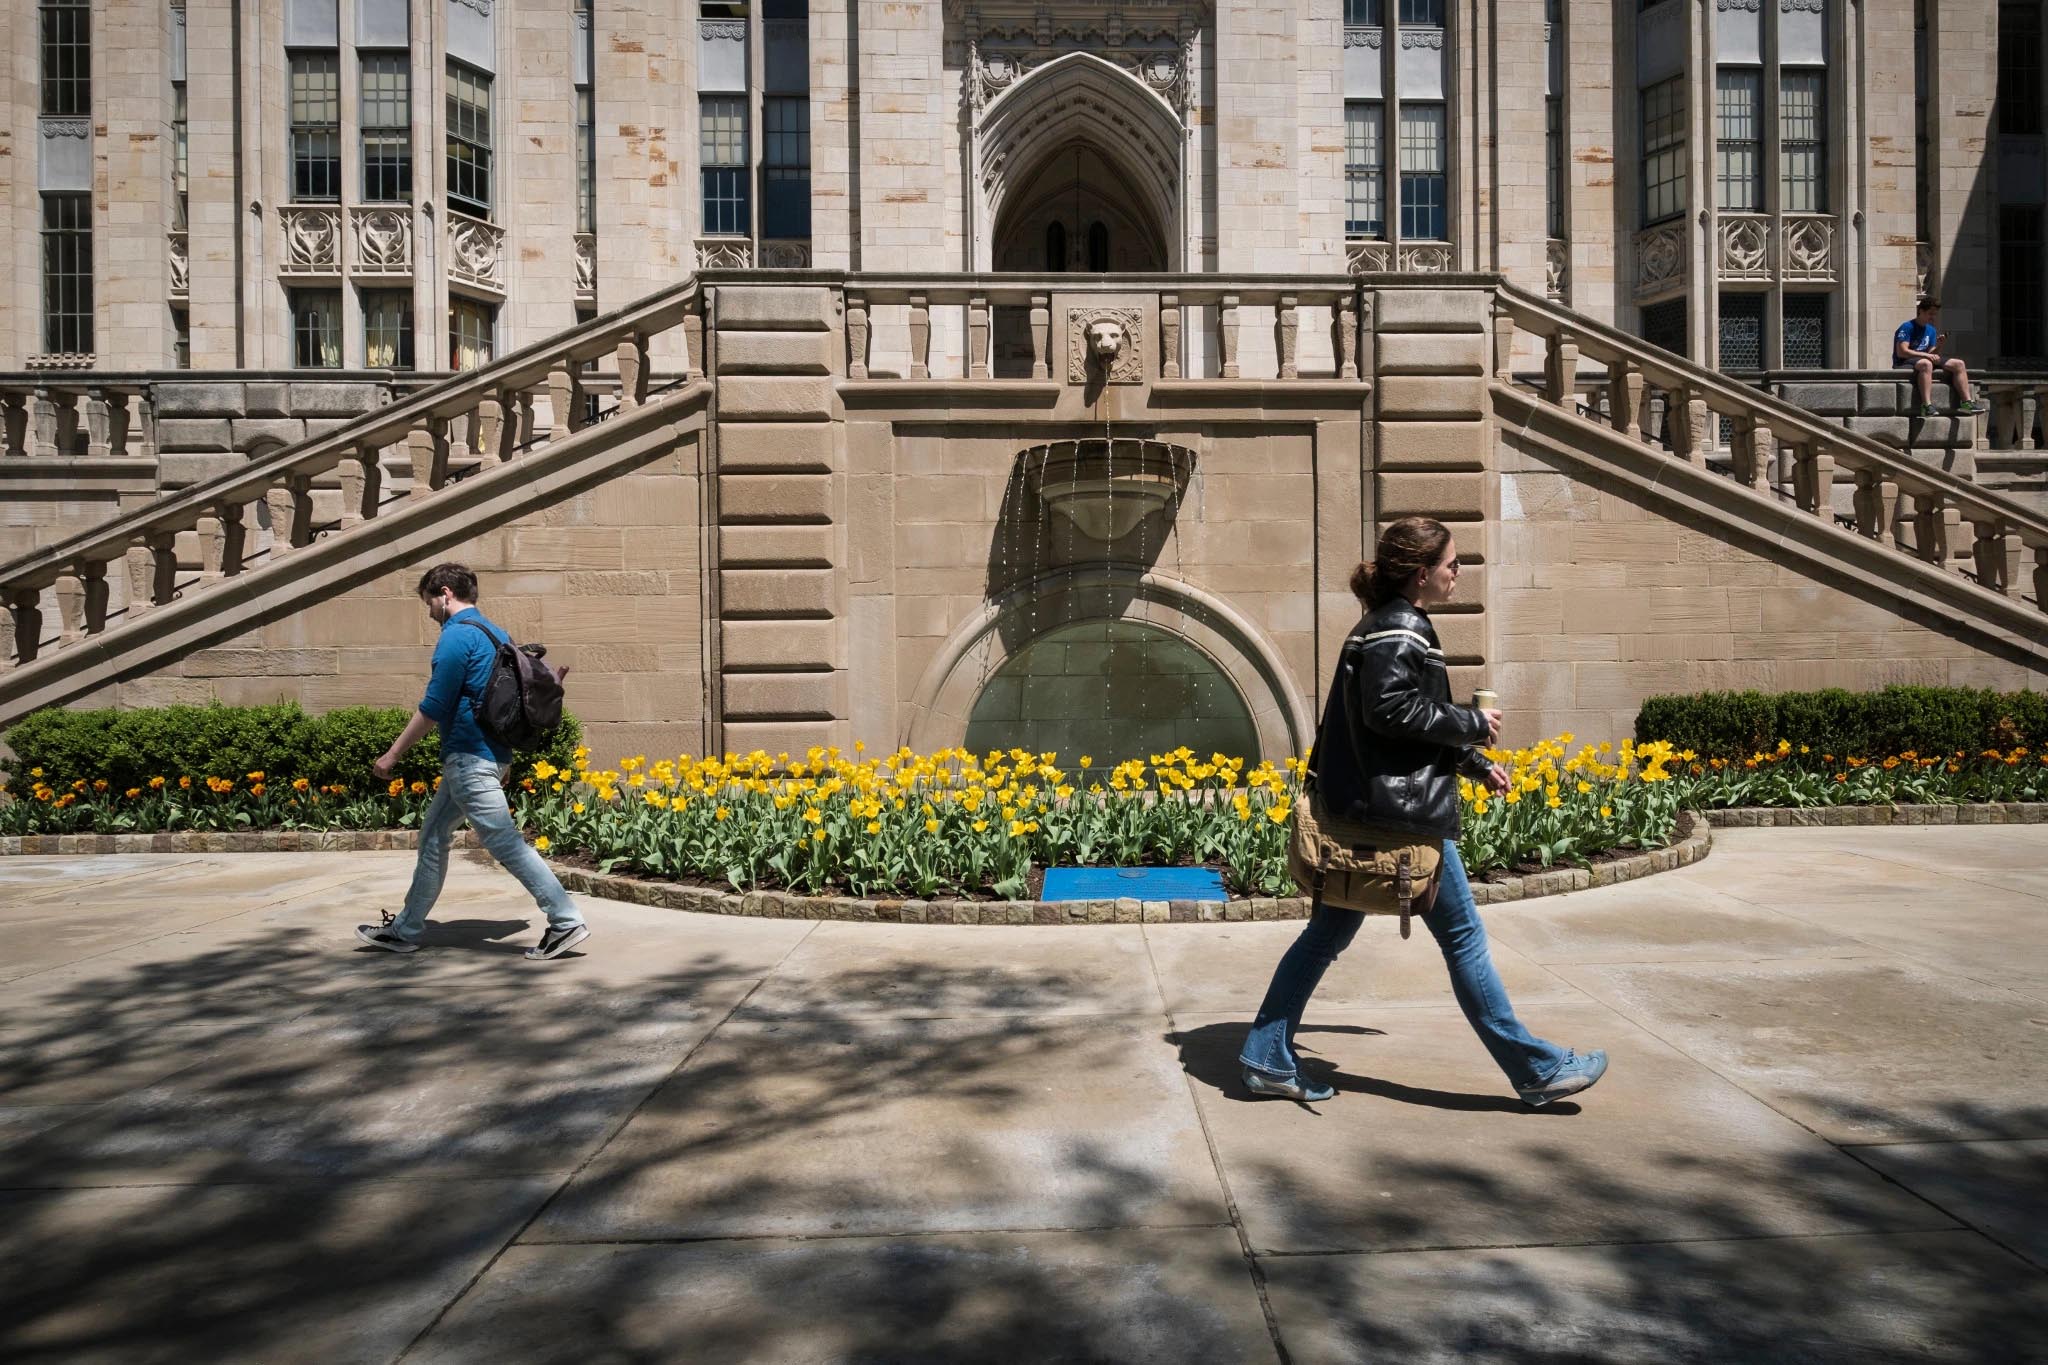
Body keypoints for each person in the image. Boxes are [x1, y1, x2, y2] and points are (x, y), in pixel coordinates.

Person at [1239, 517, 1607, 1107]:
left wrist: (1473, 763)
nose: (1459, 572)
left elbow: (1398, 720)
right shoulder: (1403, 627)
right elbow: (1390, 711)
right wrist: (1472, 724)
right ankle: (1536, 1070)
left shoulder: (1384, 625)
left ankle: (1264, 1056)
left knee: (1324, 936)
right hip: (1397, 820)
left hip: (1368, 812)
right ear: (1422, 573)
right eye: (1452, 564)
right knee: (1463, 940)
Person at [354, 563, 590, 961]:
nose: (429, 611)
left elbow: (434, 707)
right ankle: (406, 929)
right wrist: (504, 757)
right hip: (484, 758)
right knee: (432, 837)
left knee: (505, 843)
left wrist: (392, 754)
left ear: (444, 594)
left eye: (429, 602)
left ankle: (565, 920)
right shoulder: (496, 634)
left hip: (469, 759)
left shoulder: (457, 637)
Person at [1893, 296, 1985, 418]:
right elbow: (1902, 352)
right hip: (1904, 362)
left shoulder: (1931, 330)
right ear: (1920, 311)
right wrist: (1926, 355)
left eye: (1935, 314)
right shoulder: (1907, 327)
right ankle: (1926, 406)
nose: (1933, 317)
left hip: (1922, 359)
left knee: (1959, 364)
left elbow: (1932, 353)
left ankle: (1967, 403)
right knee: (1927, 364)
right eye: (1930, 314)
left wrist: (1940, 345)